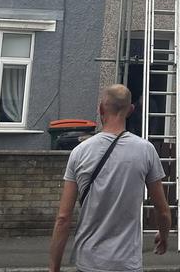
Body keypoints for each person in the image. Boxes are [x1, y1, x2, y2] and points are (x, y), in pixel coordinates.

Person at [49, 84, 171, 272]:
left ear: (101, 109)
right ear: (130, 110)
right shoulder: (146, 151)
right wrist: (164, 236)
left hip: (88, 263)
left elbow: (63, 218)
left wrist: (54, 268)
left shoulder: (79, 152)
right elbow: (162, 211)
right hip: (126, 264)